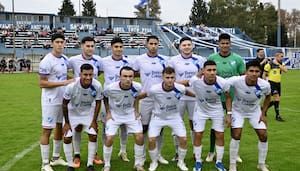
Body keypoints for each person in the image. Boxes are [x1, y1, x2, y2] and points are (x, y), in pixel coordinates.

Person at [138, 67, 195, 171]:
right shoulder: (154, 89)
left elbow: (189, 93)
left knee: (183, 139)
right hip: (158, 118)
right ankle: (154, 162)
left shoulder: (180, 88)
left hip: (174, 117)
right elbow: (140, 96)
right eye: (167, 77)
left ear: (175, 78)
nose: (170, 80)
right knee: (151, 139)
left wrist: (200, 97)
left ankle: (181, 162)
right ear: (162, 77)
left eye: (172, 77)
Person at [207, 33, 245, 162]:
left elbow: (243, 77)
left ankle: (236, 153)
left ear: (230, 44)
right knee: (215, 126)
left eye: (227, 43)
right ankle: (212, 151)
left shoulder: (238, 59)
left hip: (233, 98)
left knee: (235, 126)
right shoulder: (212, 57)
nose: (224, 45)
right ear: (218, 44)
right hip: (216, 98)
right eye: (222, 43)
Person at [228, 60, 271, 171]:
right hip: (238, 111)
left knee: (263, 135)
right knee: (236, 134)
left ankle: (261, 164)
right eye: (251, 71)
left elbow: (268, 97)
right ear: (246, 72)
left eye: (257, 71)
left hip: (254, 112)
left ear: (260, 73)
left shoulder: (264, 85)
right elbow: (222, 83)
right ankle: (232, 164)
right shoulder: (236, 80)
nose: (254, 73)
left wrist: (263, 113)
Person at [188, 60, 231, 171]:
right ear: (203, 71)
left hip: (216, 110)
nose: (212, 72)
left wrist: (229, 114)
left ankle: (219, 162)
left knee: (220, 135)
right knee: (198, 134)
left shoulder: (223, 83)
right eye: (209, 70)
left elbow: (228, 97)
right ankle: (198, 161)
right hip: (200, 110)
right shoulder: (195, 81)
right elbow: (182, 84)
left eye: (214, 70)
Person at [39, 33, 73, 171]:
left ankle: (56, 157)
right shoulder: (47, 60)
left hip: (63, 100)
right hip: (50, 100)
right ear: (52, 43)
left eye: (62, 42)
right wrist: (64, 82)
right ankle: (45, 163)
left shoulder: (65, 59)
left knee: (60, 127)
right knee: (47, 129)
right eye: (57, 42)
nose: (60, 44)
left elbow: (65, 76)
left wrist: (76, 79)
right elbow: (42, 83)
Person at [168, 36, 206, 161]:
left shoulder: (200, 60)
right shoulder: (173, 60)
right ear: (179, 47)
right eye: (184, 45)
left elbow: (203, 77)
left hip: (195, 97)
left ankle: (196, 153)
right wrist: (187, 82)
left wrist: (189, 82)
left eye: (189, 45)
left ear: (192, 46)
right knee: (176, 123)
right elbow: (170, 79)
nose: (187, 47)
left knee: (194, 125)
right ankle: (177, 152)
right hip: (178, 97)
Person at [132, 35, 168, 165]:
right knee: (143, 128)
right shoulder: (139, 59)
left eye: (156, 44)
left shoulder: (164, 59)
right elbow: (133, 73)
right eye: (151, 43)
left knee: (160, 127)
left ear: (159, 45)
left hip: (160, 99)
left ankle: (158, 155)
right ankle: (140, 157)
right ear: (146, 44)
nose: (153, 46)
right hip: (145, 99)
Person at [68, 36, 103, 168]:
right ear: (82, 46)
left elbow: (99, 74)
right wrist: (71, 81)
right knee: (77, 127)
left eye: (92, 46)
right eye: (87, 46)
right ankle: (77, 155)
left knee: (94, 127)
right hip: (77, 98)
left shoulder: (99, 60)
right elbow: (63, 71)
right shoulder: (73, 60)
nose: (90, 48)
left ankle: (94, 154)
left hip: (91, 98)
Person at [102, 66, 145, 171]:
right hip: (115, 114)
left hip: (130, 114)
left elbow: (136, 97)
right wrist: (108, 112)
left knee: (139, 137)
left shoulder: (137, 86)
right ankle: (106, 165)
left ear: (134, 77)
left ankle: (138, 164)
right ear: (120, 77)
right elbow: (105, 97)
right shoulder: (111, 87)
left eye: (130, 76)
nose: (128, 79)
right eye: (125, 76)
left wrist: (136, 110)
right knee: (109, 138)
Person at [100, 37, 134, 162]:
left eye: (120, 47)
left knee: (124, 125)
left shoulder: (128, 62)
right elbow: (95, 73)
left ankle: (123, 151)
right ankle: (105, 152)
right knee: (105, 125)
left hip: (124, 97)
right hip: (108, 98)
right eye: (116, 47)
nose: (118, 49)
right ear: (111, 47)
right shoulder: (104, 61)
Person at [62, 63, 102, 171]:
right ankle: (70, 165)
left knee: (93, 135)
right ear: (80, 74)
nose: (88, 77)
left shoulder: (97, 85)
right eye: (85, 74)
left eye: (90, 74)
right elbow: (64, 104)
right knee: (67, 137)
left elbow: (98, 102)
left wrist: (94, 120)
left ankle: (90, 164)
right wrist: (66, 123)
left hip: (88, 113)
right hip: (72, 113)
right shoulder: (71, 86)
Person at [263, 51, 288, 121]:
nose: (282, 58)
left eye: (282, 56)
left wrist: (279, 65)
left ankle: (263, 109)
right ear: (276, 56)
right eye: (281, 56)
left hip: (278, 83)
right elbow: (264, 73)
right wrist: (264, 82)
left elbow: (286, 70)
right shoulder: (270, 64)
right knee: (276, 98)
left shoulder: (281, 64)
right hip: (271, 83)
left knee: (277, 100)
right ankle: (277, 116)